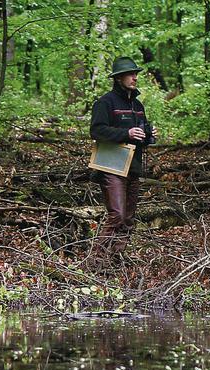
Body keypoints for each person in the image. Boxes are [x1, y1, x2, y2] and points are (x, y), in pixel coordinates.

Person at [88, 57, 158, 260]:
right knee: (116, 215)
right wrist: (126, 133)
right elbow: (97, 131)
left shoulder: (138, 105)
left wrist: (148, 135)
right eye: (130, 74)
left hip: (134, 167)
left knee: (128, 219)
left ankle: (116, 258)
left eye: (136, 74)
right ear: (119, 78)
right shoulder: (105, 102)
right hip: (112, 168)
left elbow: (140, 138)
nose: (135, 77)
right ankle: (97, 260)